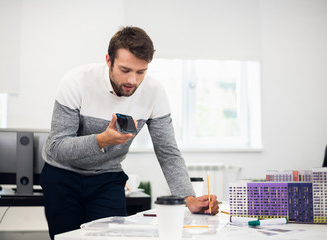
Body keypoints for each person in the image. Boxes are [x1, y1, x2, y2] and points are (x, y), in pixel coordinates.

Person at [41, 26, 219, 239]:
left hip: (107, 179)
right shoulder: (76, 82)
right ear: (109, 60)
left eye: (141, 72)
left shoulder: (154, 93)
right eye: (125, 70)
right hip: (62, 176)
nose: (132, 81)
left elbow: (168, 152)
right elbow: (57, 147)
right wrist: (101, 140)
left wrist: (188, 198)